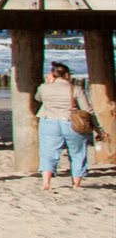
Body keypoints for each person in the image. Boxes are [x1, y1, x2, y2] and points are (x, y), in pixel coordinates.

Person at [33, 62, 93, 191]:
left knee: (48, 152)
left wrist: (48, 83)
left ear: (52, 74)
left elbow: (38, 98)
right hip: (71, 122)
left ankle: (46, 183)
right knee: (77, 153)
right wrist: (97, 127)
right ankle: (76, 183)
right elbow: (87, 110)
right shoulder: (76, 89)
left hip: (49, 122)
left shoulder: (44, 88)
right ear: (67, 75)